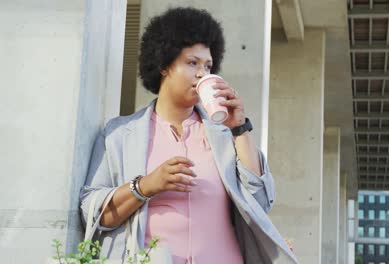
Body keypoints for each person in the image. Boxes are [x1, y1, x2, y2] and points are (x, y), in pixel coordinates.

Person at [80, 7, 297, 264]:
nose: (201, 74)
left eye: (208, 66)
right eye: (192, 63)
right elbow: (92, 212)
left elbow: (259, 201)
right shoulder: (118, 134)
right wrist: (147, 185)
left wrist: (239, 128)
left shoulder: (225, 136)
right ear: (163, 65)